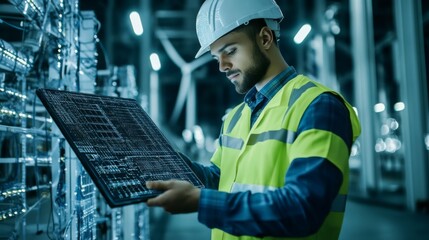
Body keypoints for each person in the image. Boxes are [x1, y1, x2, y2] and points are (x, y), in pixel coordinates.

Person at [146, 0, 361, 239]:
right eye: (217, 57)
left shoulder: (319, 106)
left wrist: (202, 202)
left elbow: (303, 208)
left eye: (230, 51)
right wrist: (168, 161)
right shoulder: (235, 117)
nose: (222, 66)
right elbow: (220, 180)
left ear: (266, 38)